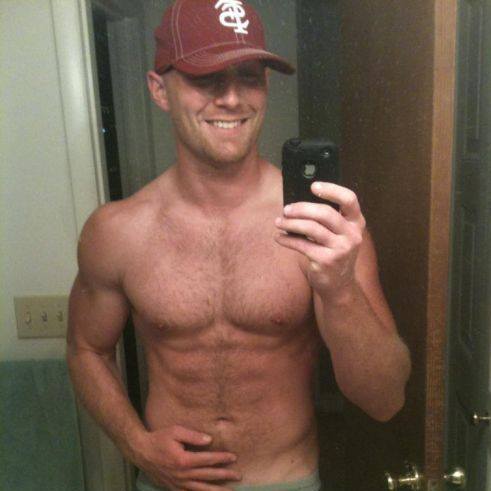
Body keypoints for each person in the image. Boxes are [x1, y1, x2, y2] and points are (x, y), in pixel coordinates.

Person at [66, 1, 411, 490]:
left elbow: (386, 398)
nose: (231, 98)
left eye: (248, 77)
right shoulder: (117, 231)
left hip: (286, 480)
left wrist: (338, 290)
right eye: (206, 78)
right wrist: (135, 443)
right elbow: (85, 349)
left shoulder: (323, 227)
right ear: (159, 89)